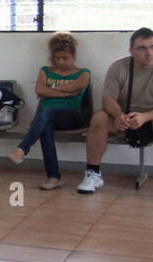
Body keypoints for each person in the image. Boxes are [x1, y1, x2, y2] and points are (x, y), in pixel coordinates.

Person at [77, 28, 153, 202]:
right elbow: (108, 100)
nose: (149, 53)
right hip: (124, 119)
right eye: (142, 48)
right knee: (99, 118)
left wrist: (145, 117)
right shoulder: (119, 67)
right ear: (131, 51)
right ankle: (93, 174)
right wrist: (119, 115)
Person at [7, 32, 91, 189]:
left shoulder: (83, 72)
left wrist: (51, 88)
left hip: (71, 116)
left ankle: (22, 149)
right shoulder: (45, 70)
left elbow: (78, 86)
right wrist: (65, 93)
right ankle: (53, 177)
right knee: (46, 125)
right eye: (57, 58)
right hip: (48, 116)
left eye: (65, 58)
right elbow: (39, 90)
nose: (60, 61)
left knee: (48, 111)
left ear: (73, 55)